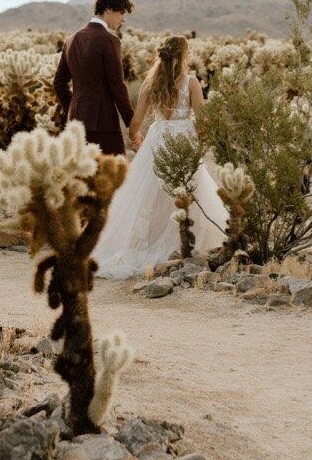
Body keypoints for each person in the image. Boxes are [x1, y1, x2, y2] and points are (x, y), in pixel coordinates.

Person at [93, 34, 229, 279]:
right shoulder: (191, 83)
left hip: (157, 140)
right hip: (183, 141)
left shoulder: (149, 83)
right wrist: (200, 141)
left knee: (151, 195)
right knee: (188, 191)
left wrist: (137, 139)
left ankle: (148, 243)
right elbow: (203, 120)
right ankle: (185, 244)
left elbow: (135, 123)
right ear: (184, 55)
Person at [54, 0, 136, 157]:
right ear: (109, 9)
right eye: (121, 13)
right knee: (113, 175)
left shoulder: (71, 40)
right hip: (103, 124)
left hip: (75, 123)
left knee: (83, 177)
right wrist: (132, 124)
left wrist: (73, 109)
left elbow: (59, 83)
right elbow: (117, 86)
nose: (123, 19)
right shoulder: (109, 41)